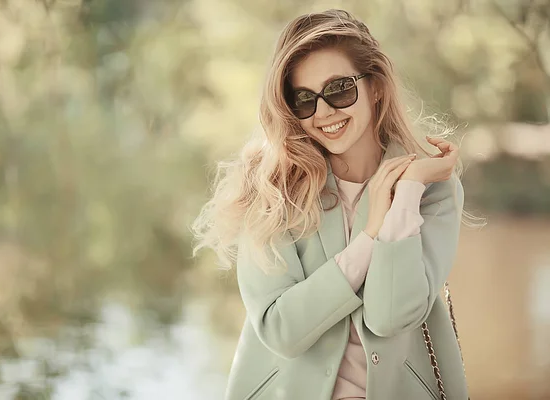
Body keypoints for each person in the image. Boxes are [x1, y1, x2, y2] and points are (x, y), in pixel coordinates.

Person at [192, 8, 469, 400]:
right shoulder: (273, 189)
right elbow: (281, 329)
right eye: (304, 99)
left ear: (375, 86)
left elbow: (390, 316)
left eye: (339, 89)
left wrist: (405, 196)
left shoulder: (430, 188)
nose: (323, 112)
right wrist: (370, 236)